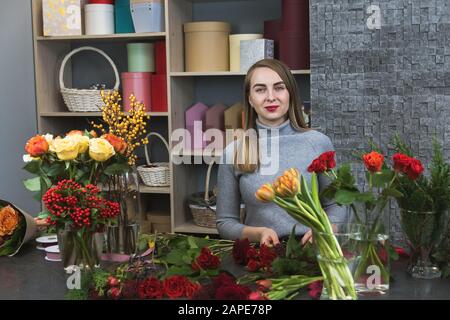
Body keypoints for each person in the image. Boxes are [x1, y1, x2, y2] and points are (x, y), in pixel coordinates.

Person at [216, 59, 346, 245]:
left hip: (314, 251)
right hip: (261, 255)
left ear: (290, 94)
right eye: (260, 89)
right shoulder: (233, 152)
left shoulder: (318, 143)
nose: (270, 97)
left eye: (279, 88)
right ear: (250, 99)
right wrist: (258, 233)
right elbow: (225, 223)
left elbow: (336, 204)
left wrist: (327, 229)